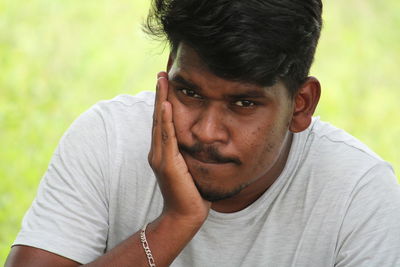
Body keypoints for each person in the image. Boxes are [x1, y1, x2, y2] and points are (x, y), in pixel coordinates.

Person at [6, 0, 400, 266]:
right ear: (170, 67)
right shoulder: (108, 139)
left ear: (301, 105)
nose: (206, 132)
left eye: (243, 104)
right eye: (189, 92)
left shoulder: (357, 193)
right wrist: (174, 223)